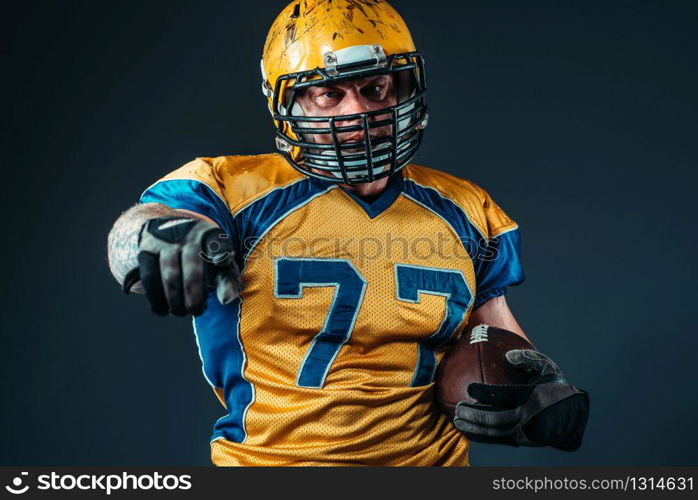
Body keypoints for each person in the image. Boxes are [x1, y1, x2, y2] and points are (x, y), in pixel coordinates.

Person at [107, 0, 588, 466]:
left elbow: (499, 338)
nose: (358, 113)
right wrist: (159, 234)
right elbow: (140, 226)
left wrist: (547, 402)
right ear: (289, 102)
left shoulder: (467, 207)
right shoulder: (230, 190)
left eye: (375, 89)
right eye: (329, 93)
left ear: (403, 89)